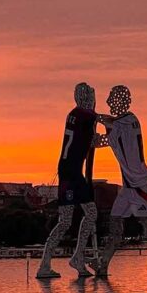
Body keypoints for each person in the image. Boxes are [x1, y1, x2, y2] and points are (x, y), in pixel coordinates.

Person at [91, 85, 147, 277]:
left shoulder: (129, 121)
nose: (108, 102)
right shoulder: (119, 125)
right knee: (115, 222)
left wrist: (92, 116)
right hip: (127, 184)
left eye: (111, 99)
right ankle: (103, 264)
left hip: (138, 183)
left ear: (122, 101)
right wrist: (93, 133)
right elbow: (103, 140)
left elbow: (109, 126)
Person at [37, 82, 99, 279]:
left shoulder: (72, 115)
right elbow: (104, 127)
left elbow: (88, 141)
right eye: (90, 96)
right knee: (88, 214)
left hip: (66, 170)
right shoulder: (86, 115)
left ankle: (47, 263)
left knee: (69, 220)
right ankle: (75, 257)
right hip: (72, 173)